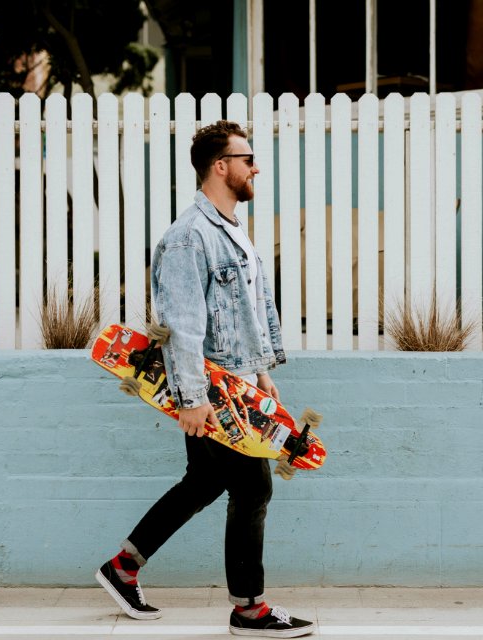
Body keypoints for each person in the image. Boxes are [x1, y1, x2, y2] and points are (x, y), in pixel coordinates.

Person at [95, 121, 315, 638]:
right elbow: (182, 326)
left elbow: (247, 311)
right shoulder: (188, 237)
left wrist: (260, 370)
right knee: (254, 487)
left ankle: (124, 567)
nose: (256, 166)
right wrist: (193, 398)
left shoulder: (232, 229)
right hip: (210, 391)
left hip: (237, 383)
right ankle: (249, 609)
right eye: (248, 157)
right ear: (221, 166)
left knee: (206, 481)